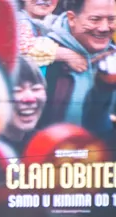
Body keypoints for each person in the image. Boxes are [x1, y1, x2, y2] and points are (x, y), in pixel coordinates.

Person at [40, 0, 116, 136]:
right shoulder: (40, 56)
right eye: (95, 19)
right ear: (72, 19)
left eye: (111, 19)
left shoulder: (112, 58)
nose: (104, 28)